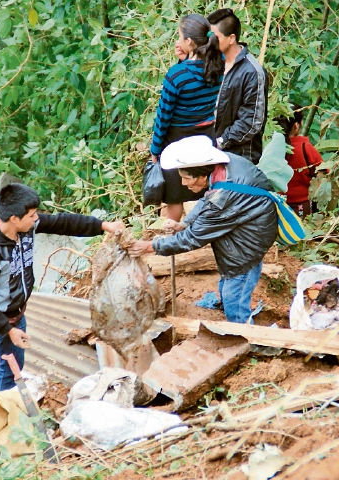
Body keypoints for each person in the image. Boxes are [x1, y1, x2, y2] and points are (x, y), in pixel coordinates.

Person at [0, 183, 124, 410]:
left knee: (11, 372)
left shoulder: (27, 227)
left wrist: (103, 225)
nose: (36, 218)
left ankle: (3, 416)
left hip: (16, 316)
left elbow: (64, 222)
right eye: (31, 215)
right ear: (14, 218)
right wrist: (8, 330)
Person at [129, 136, 277, 324]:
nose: (183, 183)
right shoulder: (223, 166)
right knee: (227, 283)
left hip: (248, 245)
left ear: (201, 175)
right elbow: (207, 199)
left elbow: (191, 239)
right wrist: (184, 223)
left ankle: (248, 338)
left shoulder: (222, 200)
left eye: (186, 178)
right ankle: (229, 306)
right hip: (248, 226)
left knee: (235, 296)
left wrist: (149, 246)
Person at [150, 14, 224, 222]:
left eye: (180, 36)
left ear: (189, 42)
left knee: (174, 197)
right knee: (203, 189)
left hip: (176, 140)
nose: (178, 40)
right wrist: (185, 58)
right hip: (205, 136)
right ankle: (207, 235)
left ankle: (171, 242)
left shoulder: (176, 75)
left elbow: (163, 117)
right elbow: (197, 72)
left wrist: (155, 149)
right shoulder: (219, 66)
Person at [207, 8, 268, 165]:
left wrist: (221, 142)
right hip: (211, 152)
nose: (211, 42)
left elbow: (251, 120)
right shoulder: (213, 63)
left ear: (231, 38)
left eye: (215, 38)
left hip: (240, 158)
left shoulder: (252, 71)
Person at [274, 104, 324, 217]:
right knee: (302, 232)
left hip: (277, 205)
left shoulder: (270, 147)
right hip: (302, 206)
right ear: (296, 126)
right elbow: (324, 172)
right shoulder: (305, 148)